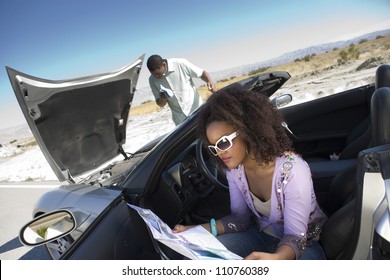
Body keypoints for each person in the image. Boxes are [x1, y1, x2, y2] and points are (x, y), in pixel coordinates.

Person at [172, 85, 328, 260]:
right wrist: (198, 230)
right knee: (196, 259)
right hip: (261, 236)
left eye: (223, 143)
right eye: (213, 147)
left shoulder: (293, 170)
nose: (219, 152)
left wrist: (276, 258)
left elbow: (295, 237)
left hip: (303, 247)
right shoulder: (235, 171)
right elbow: (240, 219)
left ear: (247, 131)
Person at [147, 54, 216, 126]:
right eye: (153, 74)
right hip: (180, 121)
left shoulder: (180, 63)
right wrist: (162, 98)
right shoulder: (152, 80)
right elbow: (161, 104)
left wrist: (209, 81)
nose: (156, 77)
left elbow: (202, 73)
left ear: (164, 65)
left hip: (198, 112)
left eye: (158, 74)